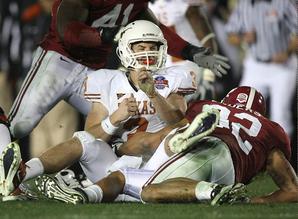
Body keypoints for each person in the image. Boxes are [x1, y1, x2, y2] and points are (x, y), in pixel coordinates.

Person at [0, 20, 198, 197]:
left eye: (152, 47)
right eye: (140, 47)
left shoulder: (173, 77)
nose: (147, 53)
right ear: (125, 50)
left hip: (160, 163)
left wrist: (153, 94)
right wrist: (113, 120)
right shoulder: (108, 80)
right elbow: (90, 135)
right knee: (83, 139)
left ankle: (82, 192)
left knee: (156, 137)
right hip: (114, 163)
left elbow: (178, 123)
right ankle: (22, 173)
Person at [6, 0, 230, 154]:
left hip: (92, 70)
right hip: (58, 61)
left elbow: (155, 30)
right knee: (20, 125)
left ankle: (124, 175)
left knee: (123, 125)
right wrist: (103, 35)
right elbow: (67, 31)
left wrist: (190, 51)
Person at [34, 86, 297, 205]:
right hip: (229, 168)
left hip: (204, 147)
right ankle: (212, 189)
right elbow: (292, 190)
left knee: (133, 175)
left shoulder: (209, 106)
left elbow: (154, 139)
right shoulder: (269, 129)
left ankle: (83, 193)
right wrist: (255, 200)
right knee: (141, 182)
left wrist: (123, 147)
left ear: (227, 102)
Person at [225, 0, 297, 136]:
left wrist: (287, 52)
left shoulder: (283, 3)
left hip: (282, 68)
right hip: (255, 66)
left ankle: (284, 154)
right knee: (240, 110)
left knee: (280, 116)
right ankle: (246, 153)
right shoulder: (243, 4)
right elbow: (230, 35)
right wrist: (242, 37)